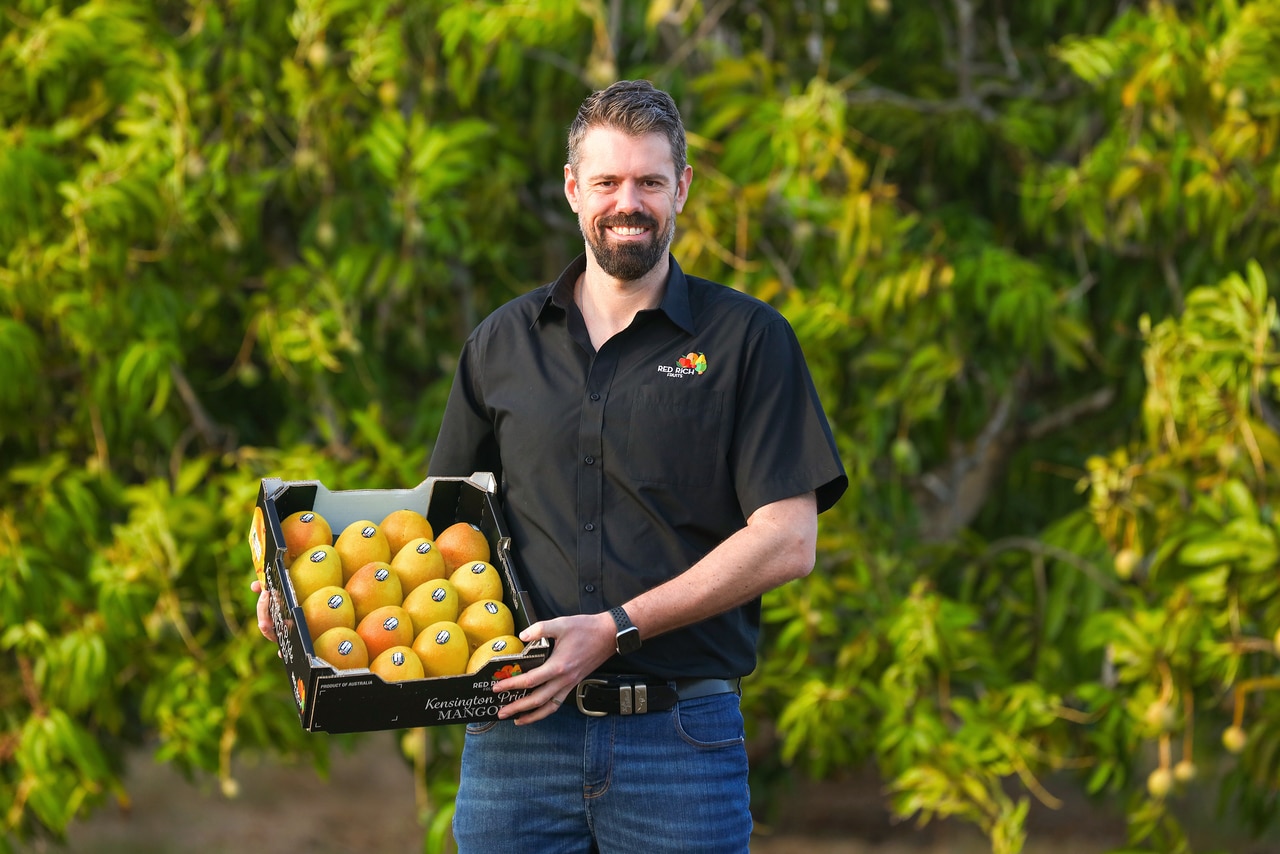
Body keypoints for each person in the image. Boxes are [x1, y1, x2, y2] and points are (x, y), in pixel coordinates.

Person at [256, 79, 846, 853]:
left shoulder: (749, 341)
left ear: (683, 190)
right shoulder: (502, 344)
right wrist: (300, 595)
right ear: (574, 190)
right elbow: (434, 533)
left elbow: (787, 539)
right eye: (606, 181)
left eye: (649, 182)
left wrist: (615, 630)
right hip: (515, 741)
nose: (626, 202)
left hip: (678, 743)